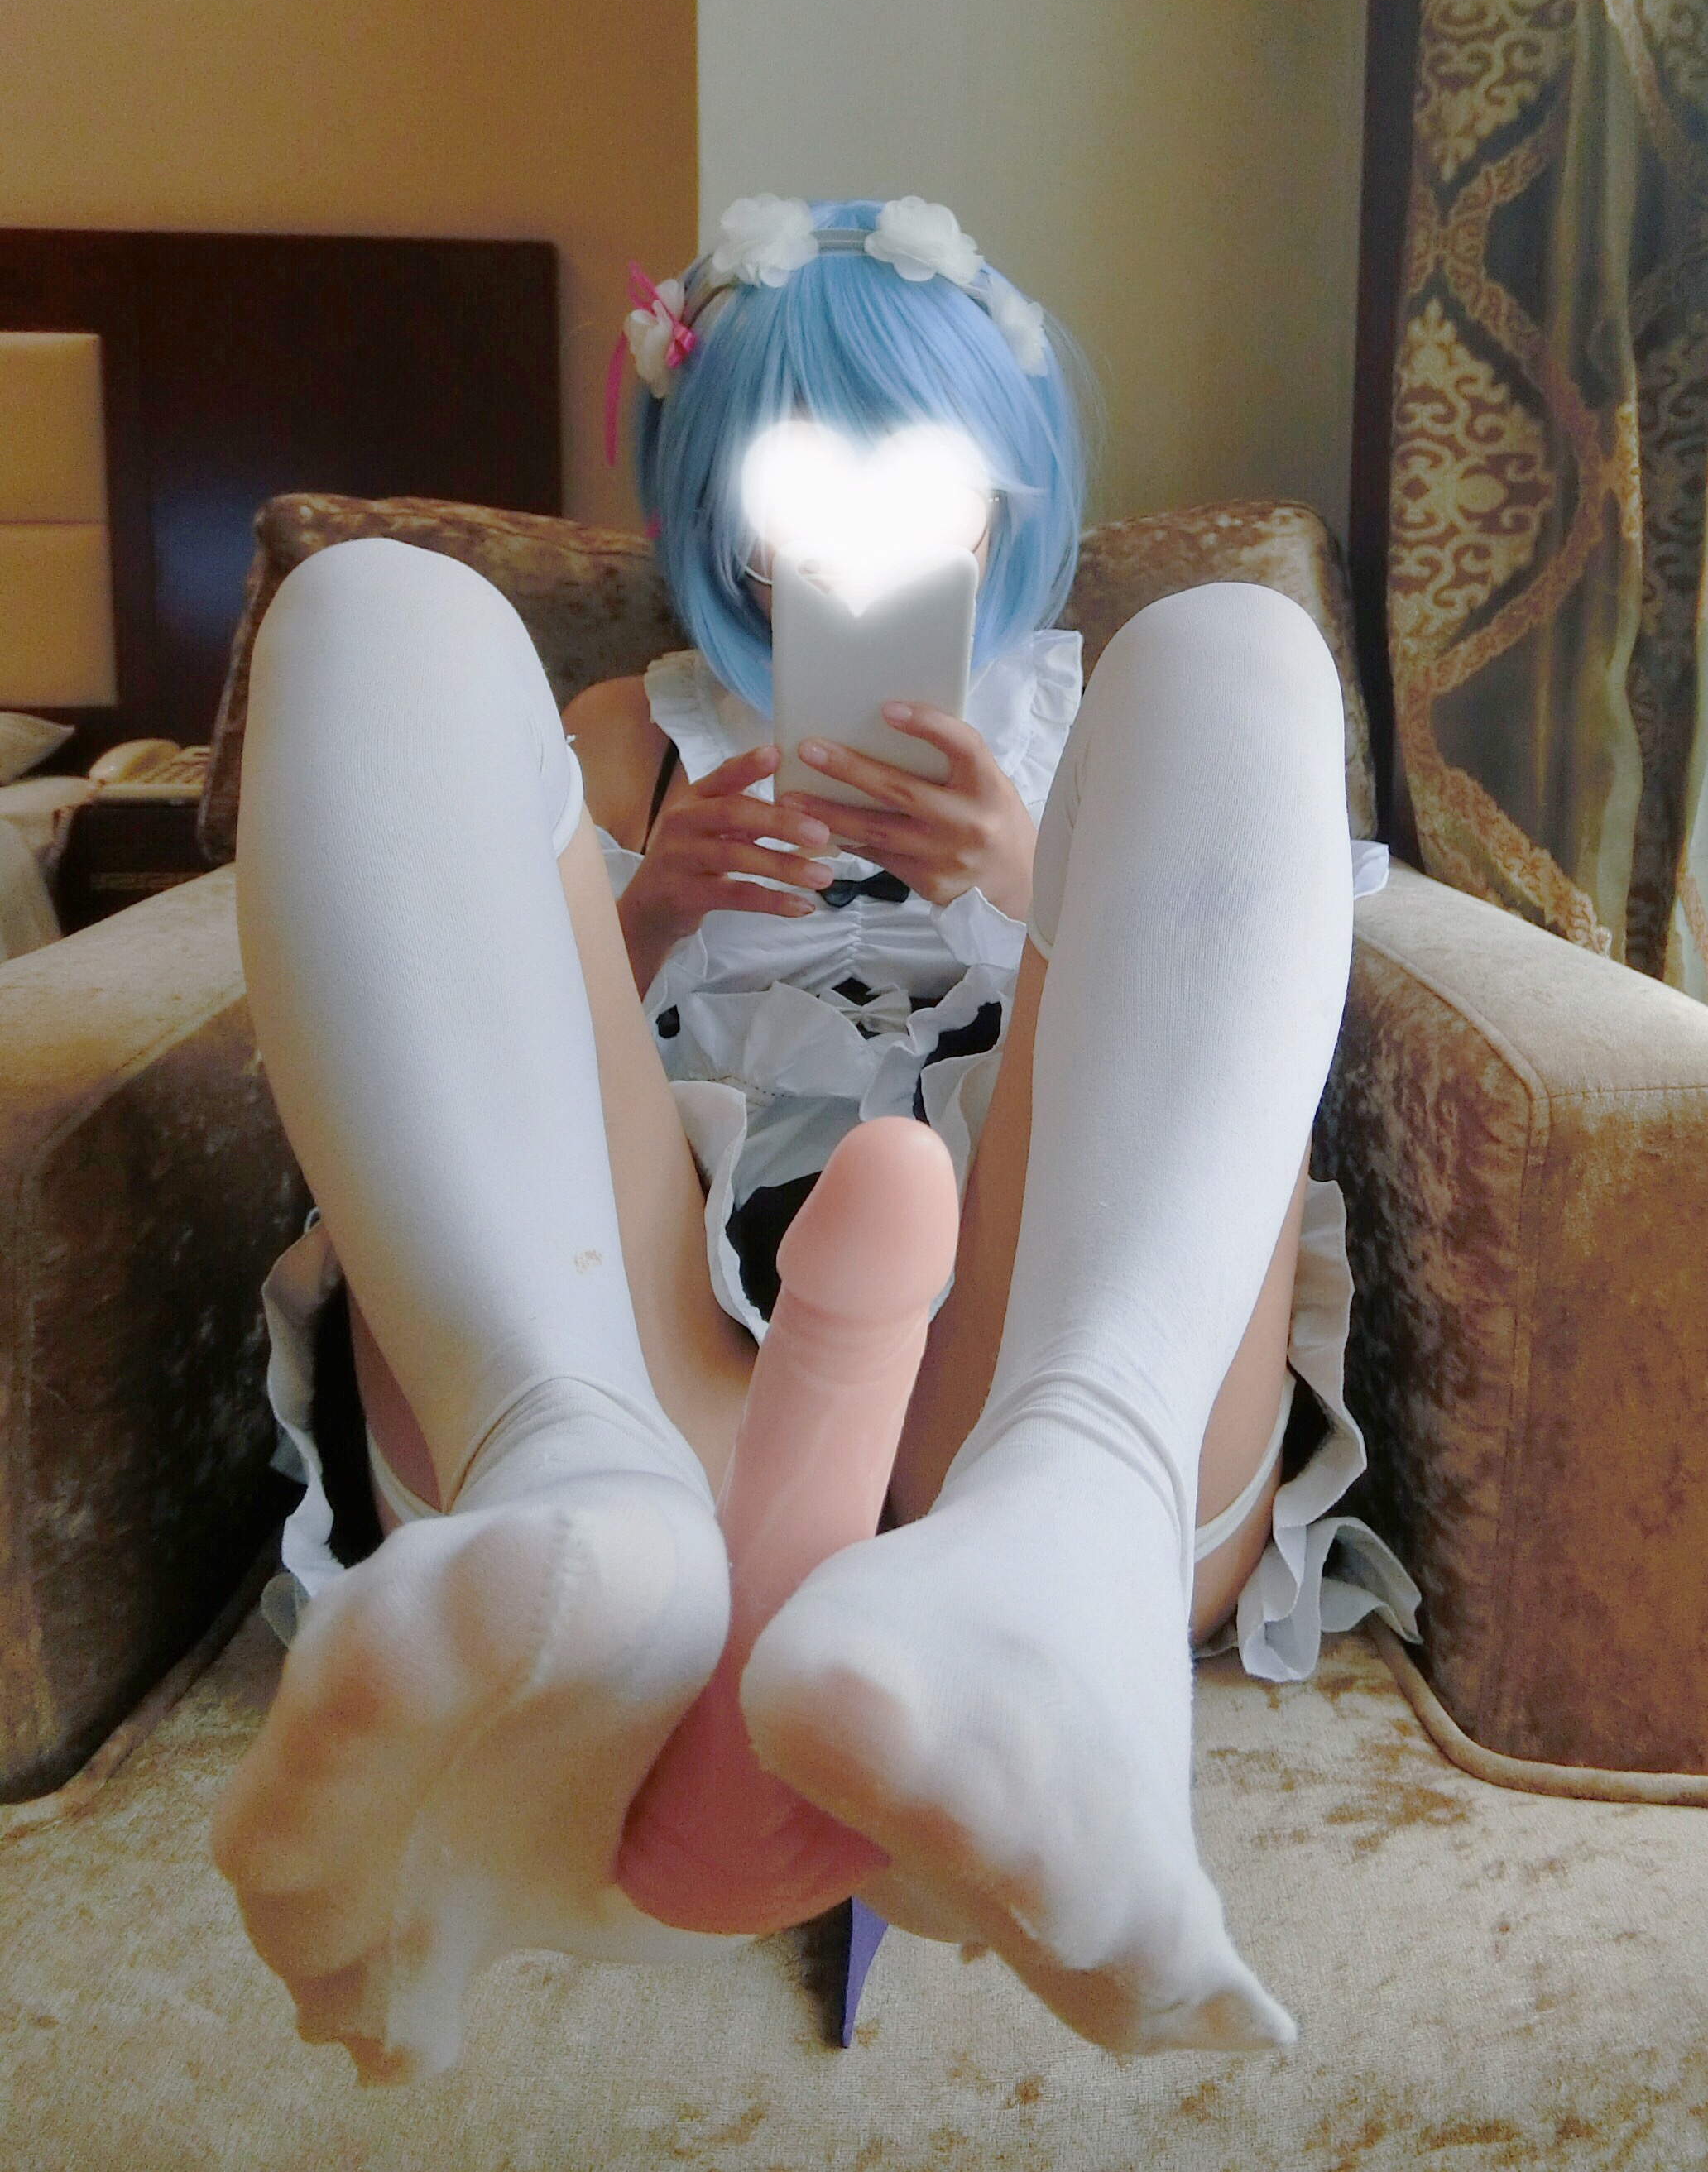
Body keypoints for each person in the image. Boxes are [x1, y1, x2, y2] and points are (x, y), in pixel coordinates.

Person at [210, 194, 1411, 2083]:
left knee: (1238, 652)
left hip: (1033, 1371)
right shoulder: (629, 732)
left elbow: (1245, 1005)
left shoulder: (1082, 722)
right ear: (722, 506)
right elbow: (491, 1022)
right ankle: (577, 1506)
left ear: (1004, 494)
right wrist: (649, 906)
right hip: (638, 1368)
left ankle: (1065, 1549)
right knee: (370, 608)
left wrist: (1027, 878)